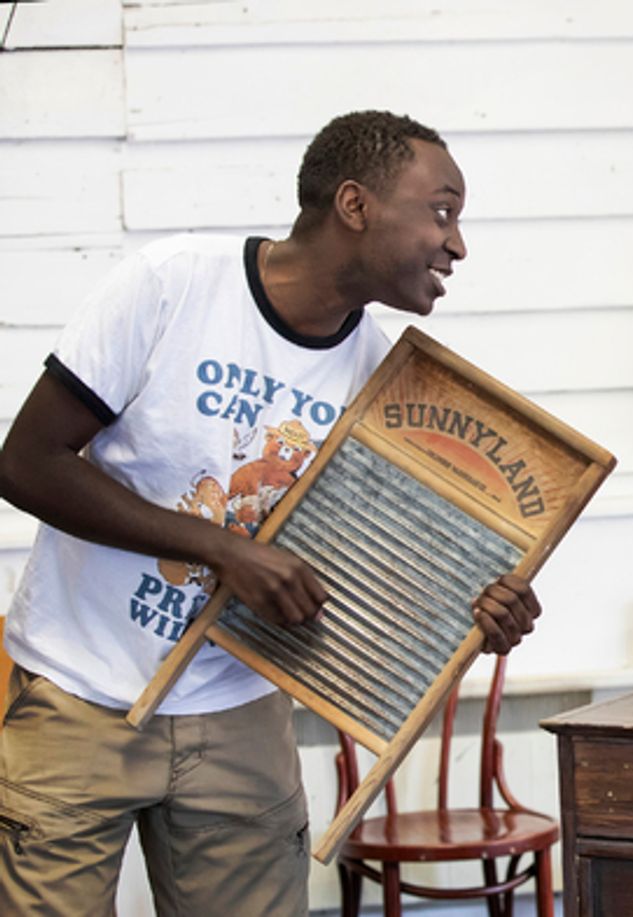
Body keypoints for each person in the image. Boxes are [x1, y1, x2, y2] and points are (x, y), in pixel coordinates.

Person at [0, 111, 542, 915]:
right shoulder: (174, 284)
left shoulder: (385, 387)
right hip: (80, 694)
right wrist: (224, 549)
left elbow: (372, 577)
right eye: (442, 210)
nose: (457, 244)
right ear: (354, 205)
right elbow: (26, 463)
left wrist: (481, 612)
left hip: (239, 711)